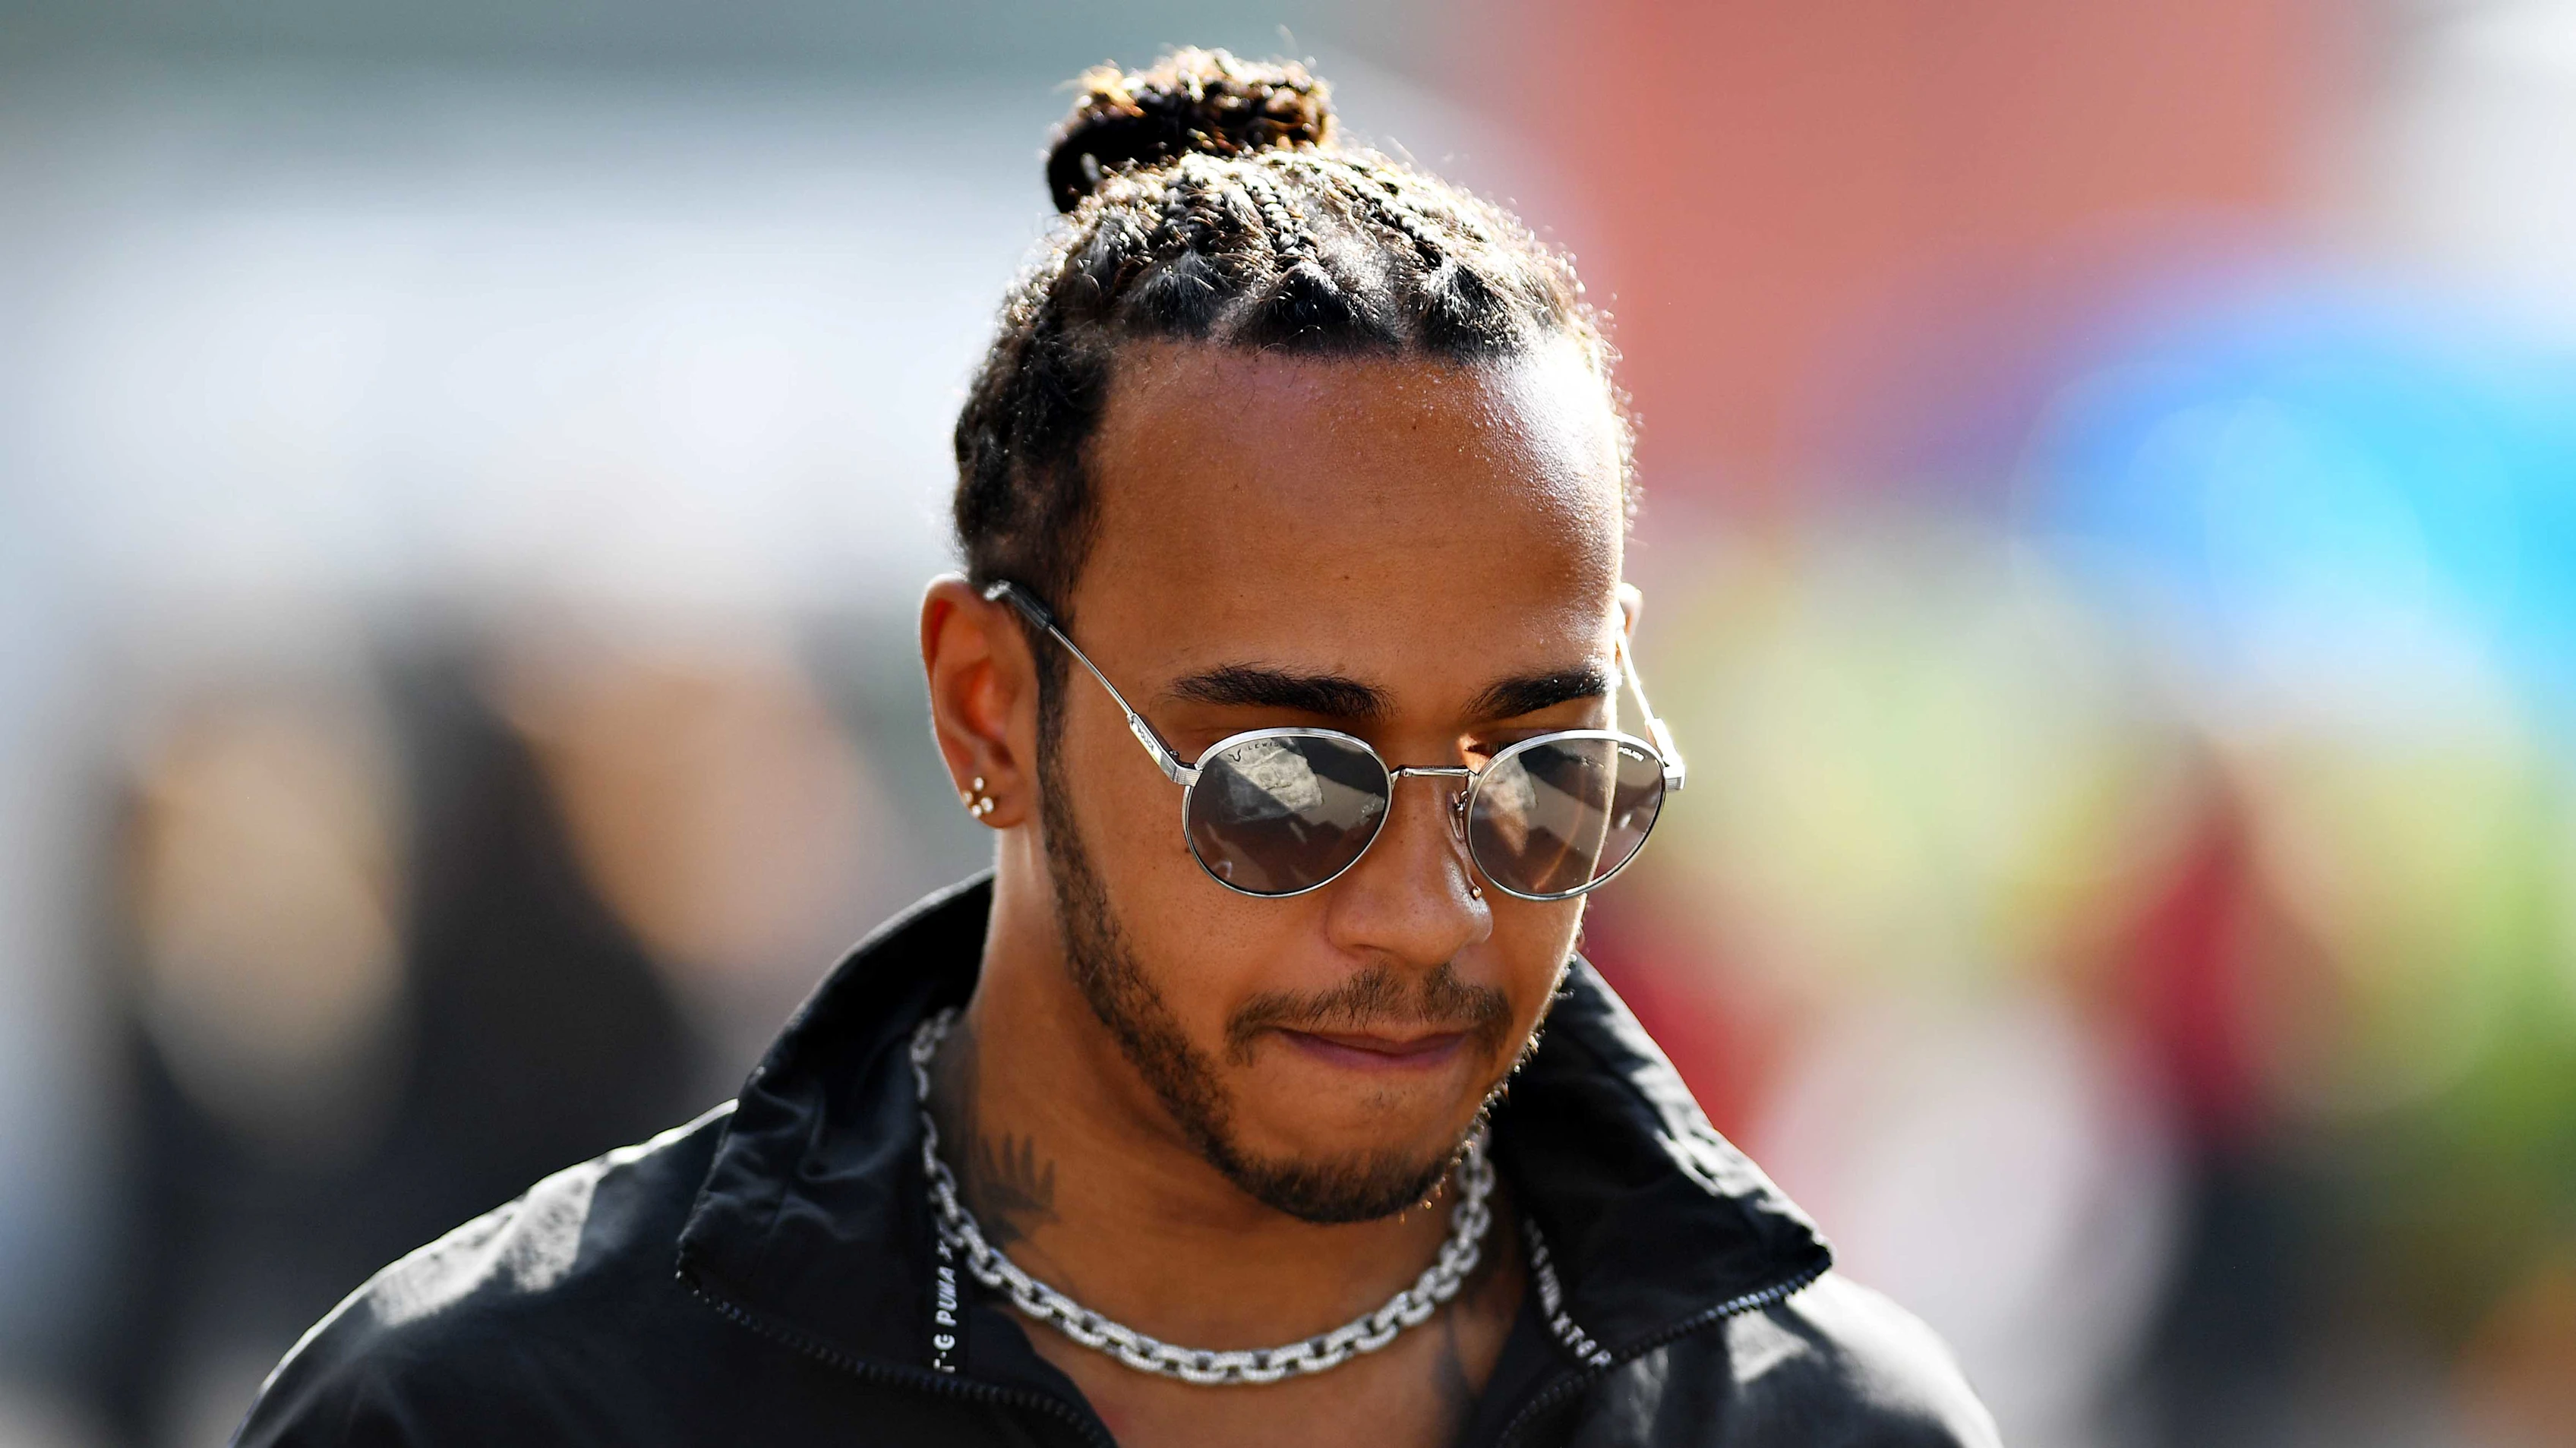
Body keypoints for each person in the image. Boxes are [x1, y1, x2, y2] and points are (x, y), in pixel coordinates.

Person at [235, 49, 2000, 1448]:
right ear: (988, 708)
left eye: (1542, 785)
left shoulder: (1830, 1421)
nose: (1425, 915)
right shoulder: (493, 1406)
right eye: (1287, 787)